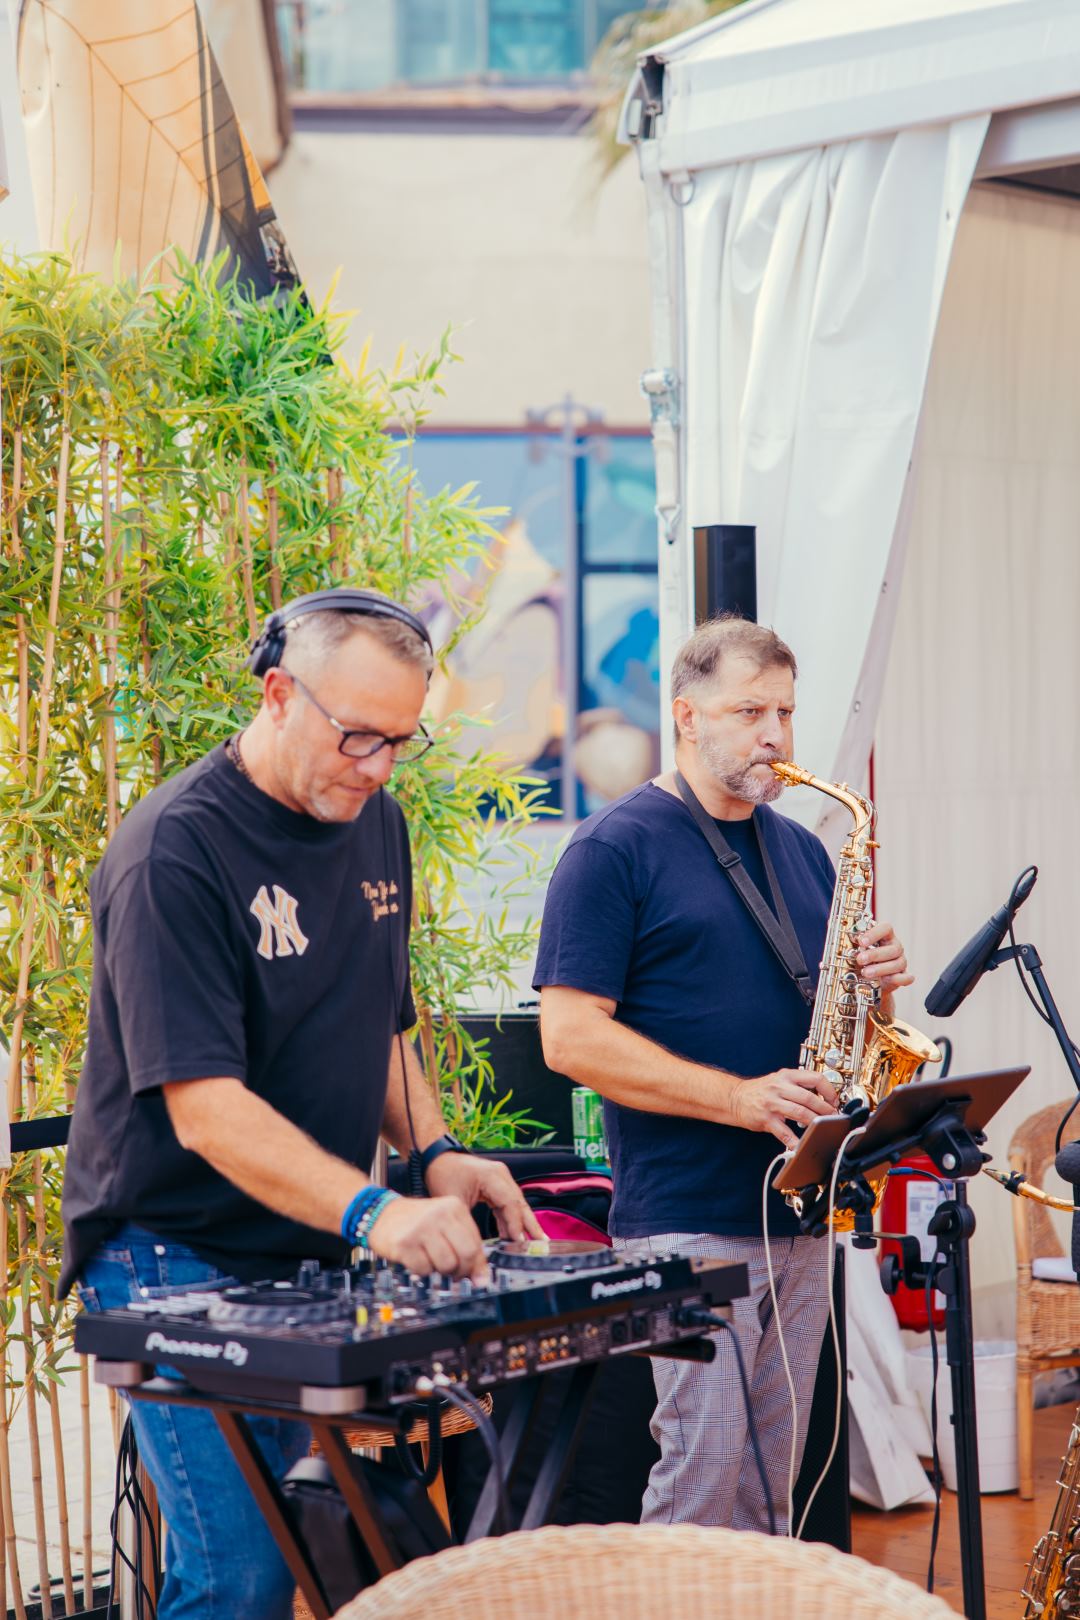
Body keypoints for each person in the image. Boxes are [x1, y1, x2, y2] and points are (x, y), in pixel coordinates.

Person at [60, 588, 541, 1620]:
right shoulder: (172, 852)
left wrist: (437, 1152)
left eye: (400, 742)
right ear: (278, 694)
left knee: (307, 1541)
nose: (378, 768)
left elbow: (385, 1024)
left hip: (300, 1242)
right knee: (239, 1571)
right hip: (167, 1247)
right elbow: (205, 1109)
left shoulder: (378, 822)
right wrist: (375, 1211)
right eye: (358, 736)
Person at [534, 615, 913, 1532]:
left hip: (798, 1209)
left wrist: (879, 990)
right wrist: (738, 1099)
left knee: (772, 1488)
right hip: (685, 1217)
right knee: (699, 1478)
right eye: (749, 712)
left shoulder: (805, 849)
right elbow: (569, 1039)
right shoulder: (611, 849)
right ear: (686, 716)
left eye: (784, 711)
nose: (775, 735)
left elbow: (843, 1030)